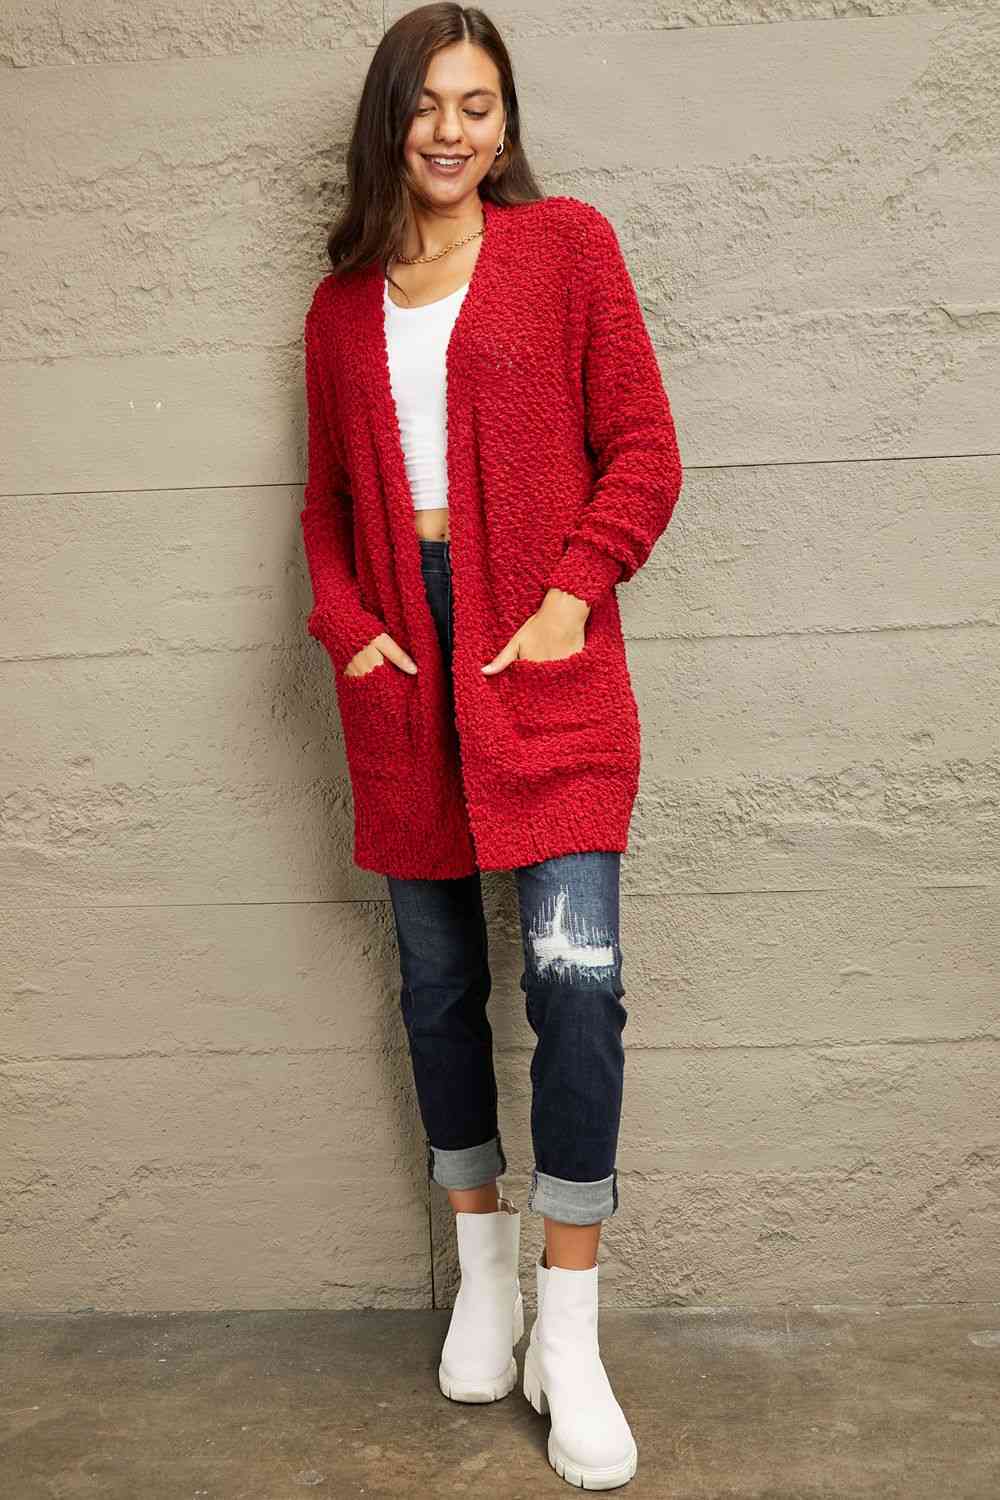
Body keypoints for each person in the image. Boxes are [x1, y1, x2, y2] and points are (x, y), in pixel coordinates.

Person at [299, 4, 683, 1488]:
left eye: (478, 104)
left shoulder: (566, 247)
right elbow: (329, 510)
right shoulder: (342, 306)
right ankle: (484, 1284)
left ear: (506, 121)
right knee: (439, 987)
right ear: (389, 118)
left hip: (544, 655)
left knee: (577, 991)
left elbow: (644, 447)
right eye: (427, 104)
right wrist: (353, 629)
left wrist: (574, 593)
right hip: (406, 664)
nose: (451, 130)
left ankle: (569, 1330)